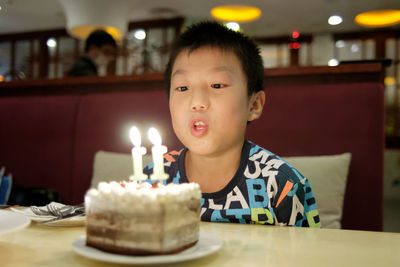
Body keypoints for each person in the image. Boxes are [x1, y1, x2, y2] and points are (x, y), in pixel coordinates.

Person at [144, 21, 321, 227]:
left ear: (254, 105)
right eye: (182, 88)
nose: (197, 102)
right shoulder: (152, 178)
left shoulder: (282, 185)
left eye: (217, 85)